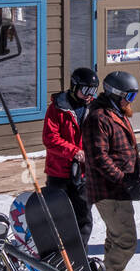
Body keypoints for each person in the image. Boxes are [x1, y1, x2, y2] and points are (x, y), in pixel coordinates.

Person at [83, 70, 140, 271]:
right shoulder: (99, 118)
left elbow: (129, 151)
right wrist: (125, 181)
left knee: (115, 240)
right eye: (130, 95)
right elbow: (98, 159)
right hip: (109, 191)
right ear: (116, 94)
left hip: (119, 189)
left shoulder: (117, 114)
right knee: (126, 242)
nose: (132, 100)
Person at [42, 66, 98, 247]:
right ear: (74, 87)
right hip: (59, 173)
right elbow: (50, 138)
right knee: (58, 216)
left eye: (93, 91)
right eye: (86, 90)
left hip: (84, 174)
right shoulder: (57, 108)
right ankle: (57, 252)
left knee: (84, 217)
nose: (90, 95)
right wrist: (75, 152)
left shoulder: (95, 108)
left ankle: (79, 253)